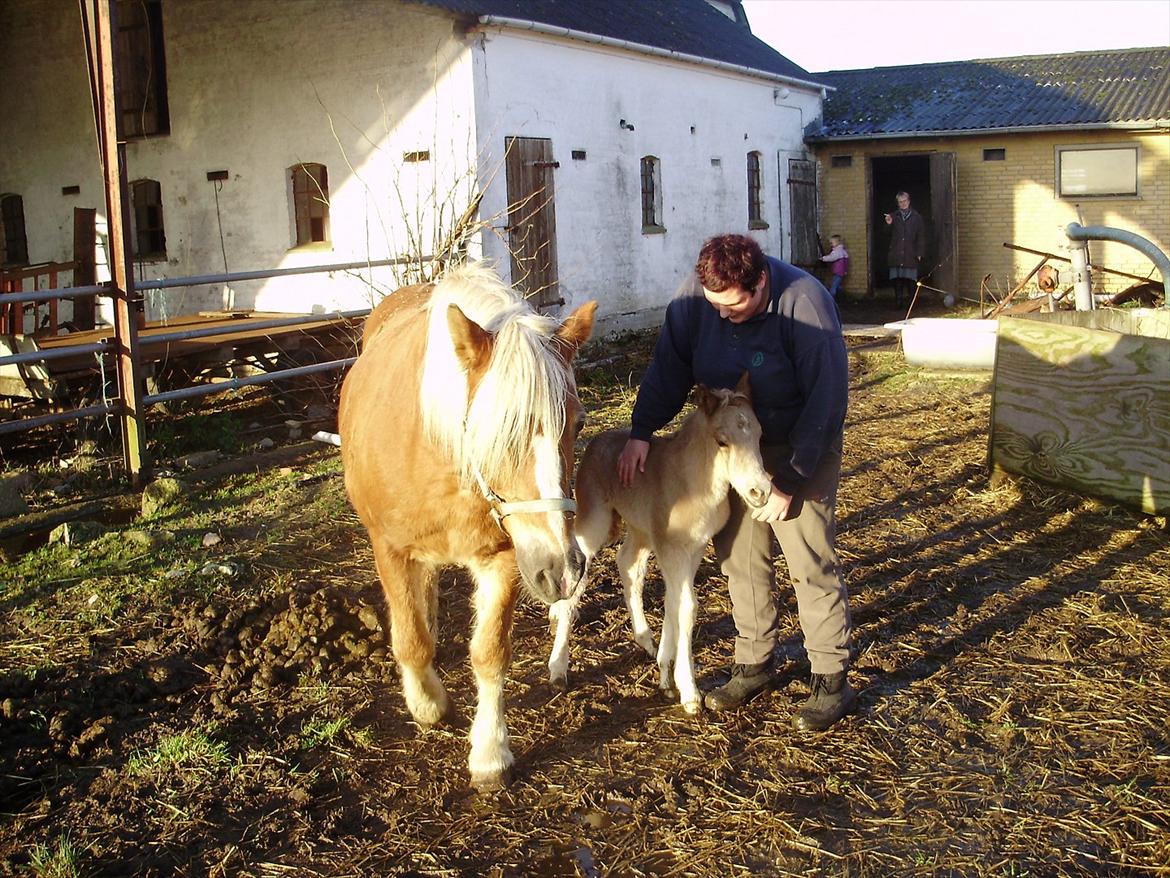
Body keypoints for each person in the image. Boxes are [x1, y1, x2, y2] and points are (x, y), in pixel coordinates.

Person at [617, 234, 856, 731]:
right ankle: (754, 662)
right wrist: (642, 430)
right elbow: (669, 366)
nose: (724, 316)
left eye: (735, 306)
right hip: (728, 446)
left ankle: (831, 676)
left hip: (797, 441)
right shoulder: (696, 299)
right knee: (739, 555)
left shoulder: (806, 305)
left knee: (807, 556)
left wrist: (791, 478)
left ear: (761, 280)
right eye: (715, 306)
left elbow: (827, 400)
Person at [883, 191, 926, 307]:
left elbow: (921, 236)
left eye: (904, 201)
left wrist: (920, 252)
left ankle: (911, 304)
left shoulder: (917, 217)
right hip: (896, 253)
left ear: (909, 201)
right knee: (897, 280)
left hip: (910, 253)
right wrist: (888, 224)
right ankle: (898, 302)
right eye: (900, 202)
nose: (902, 204)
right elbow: (885, 234)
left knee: (911, 280)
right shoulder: (893, 216)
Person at [819, 234, 849, 302]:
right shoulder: (842, 251)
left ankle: (831, 300)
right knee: (837, 286)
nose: (831, 244)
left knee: (833, 288)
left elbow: (832, 257)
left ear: (838, 243)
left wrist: (823, 258)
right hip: (841, 272)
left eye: (832, 243)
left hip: (838, 272)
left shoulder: (838, 251)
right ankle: (843, 298)